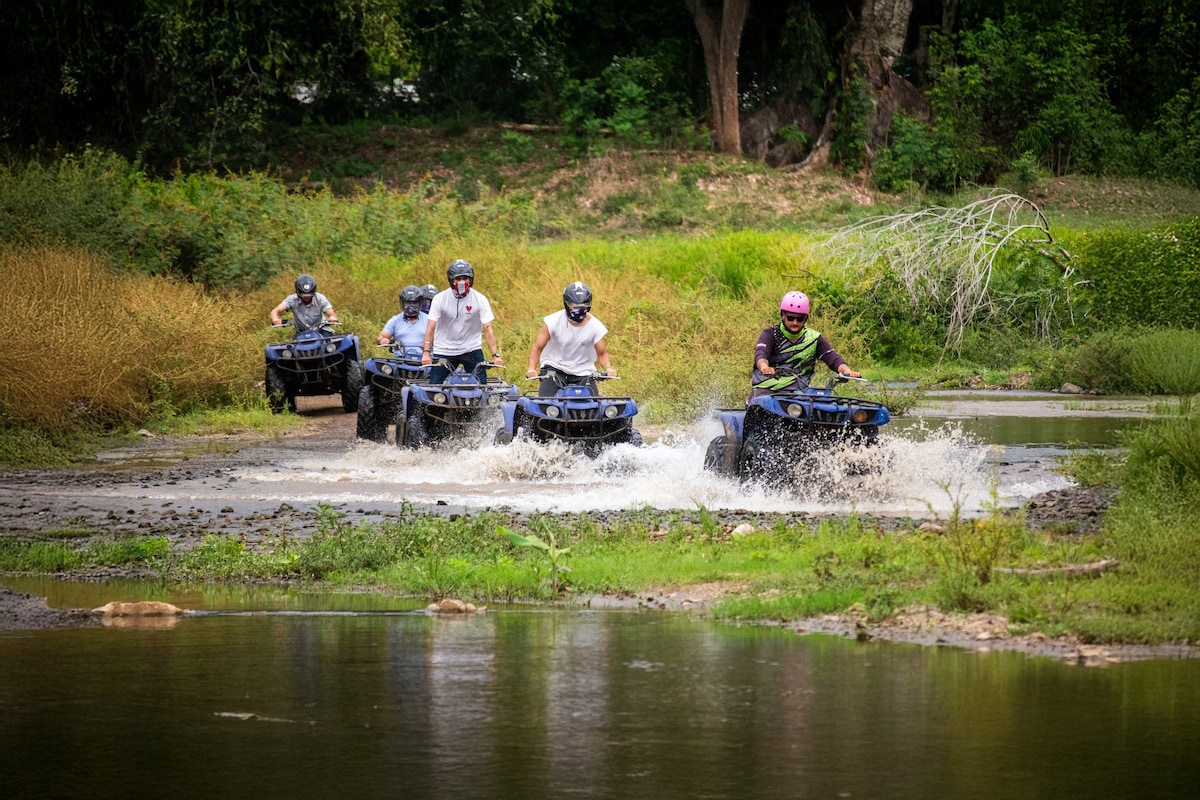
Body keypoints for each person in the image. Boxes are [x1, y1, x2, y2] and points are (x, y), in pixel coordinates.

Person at [748, 291, 860, 402]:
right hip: (766, 390)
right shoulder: (770, 334)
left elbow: (833, 358)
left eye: (800, 319)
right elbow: (761, 354)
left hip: (798, 393)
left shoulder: (814, 338)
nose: (795, 323)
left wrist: (847, 371)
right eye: (791, 318)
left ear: (805, 318)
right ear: (783, 316)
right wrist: (764, 367)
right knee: (763, 407)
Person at [421, 259, 505, 384]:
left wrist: (495, 355)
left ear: (471, 280)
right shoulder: (439, 299)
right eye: (458, 278)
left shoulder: (480, 299)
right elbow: (431, 327)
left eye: (465, 278)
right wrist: (426, 353)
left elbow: (488, 328)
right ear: (451, 280)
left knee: (481, 387)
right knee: (434, 387)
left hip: (471, 348)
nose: (462, 282)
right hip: (444, 350)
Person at [526, 281, 616, 396]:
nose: (579, 310)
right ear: (567, 305)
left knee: (593, 405)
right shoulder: (552, 321)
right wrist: (532, 368)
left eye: (583, 307)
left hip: (583, 371)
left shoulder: (596, 326)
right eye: (575, 307)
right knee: (546, 405)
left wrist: (608, 368)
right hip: (554, 369)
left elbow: (602, 354)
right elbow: (537, 348)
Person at [270, 273, 338, 333]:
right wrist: (275, 319)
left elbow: (331, 314)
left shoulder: (320, 298)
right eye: (303, 295)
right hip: (301, 332)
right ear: (298, 293)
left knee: (329, 344)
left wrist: (332, 318)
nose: (306, 297)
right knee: (295, 347)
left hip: (321, 330)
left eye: (309, 295)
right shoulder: (292, 299)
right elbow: (275, 311)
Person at [377, 285, 428, 357]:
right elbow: (381, 336)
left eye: (415, 303)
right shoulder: (395, 320)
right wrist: (383, 340)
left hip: (424, 360)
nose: (411, 306)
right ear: (402, 303)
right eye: (408, 303)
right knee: (371, 364)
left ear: (420, 303)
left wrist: (429, 344)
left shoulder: (429, 320)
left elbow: (439, 338)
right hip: (401, 360)